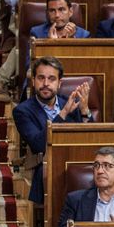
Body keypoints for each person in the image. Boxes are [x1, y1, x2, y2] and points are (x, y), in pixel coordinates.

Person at [12, 56, 92, 204]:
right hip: (46, 166)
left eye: (51, 79)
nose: (46, 84)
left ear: (59, 83)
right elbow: (38, 144)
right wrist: (63, 114)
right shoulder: (22, 111)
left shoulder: (69, 102)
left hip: (77, 162)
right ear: (34, 81)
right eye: (41, 78)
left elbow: (89, 139)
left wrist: (85, 110)